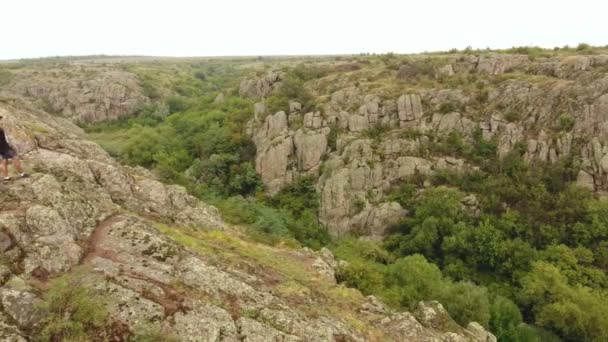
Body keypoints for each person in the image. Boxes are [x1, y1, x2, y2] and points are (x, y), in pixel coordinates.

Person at [0, 116, 27, 180]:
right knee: (15, 158)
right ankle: (22, 174)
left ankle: (6, 177)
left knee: (3, 162)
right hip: (4, 147)